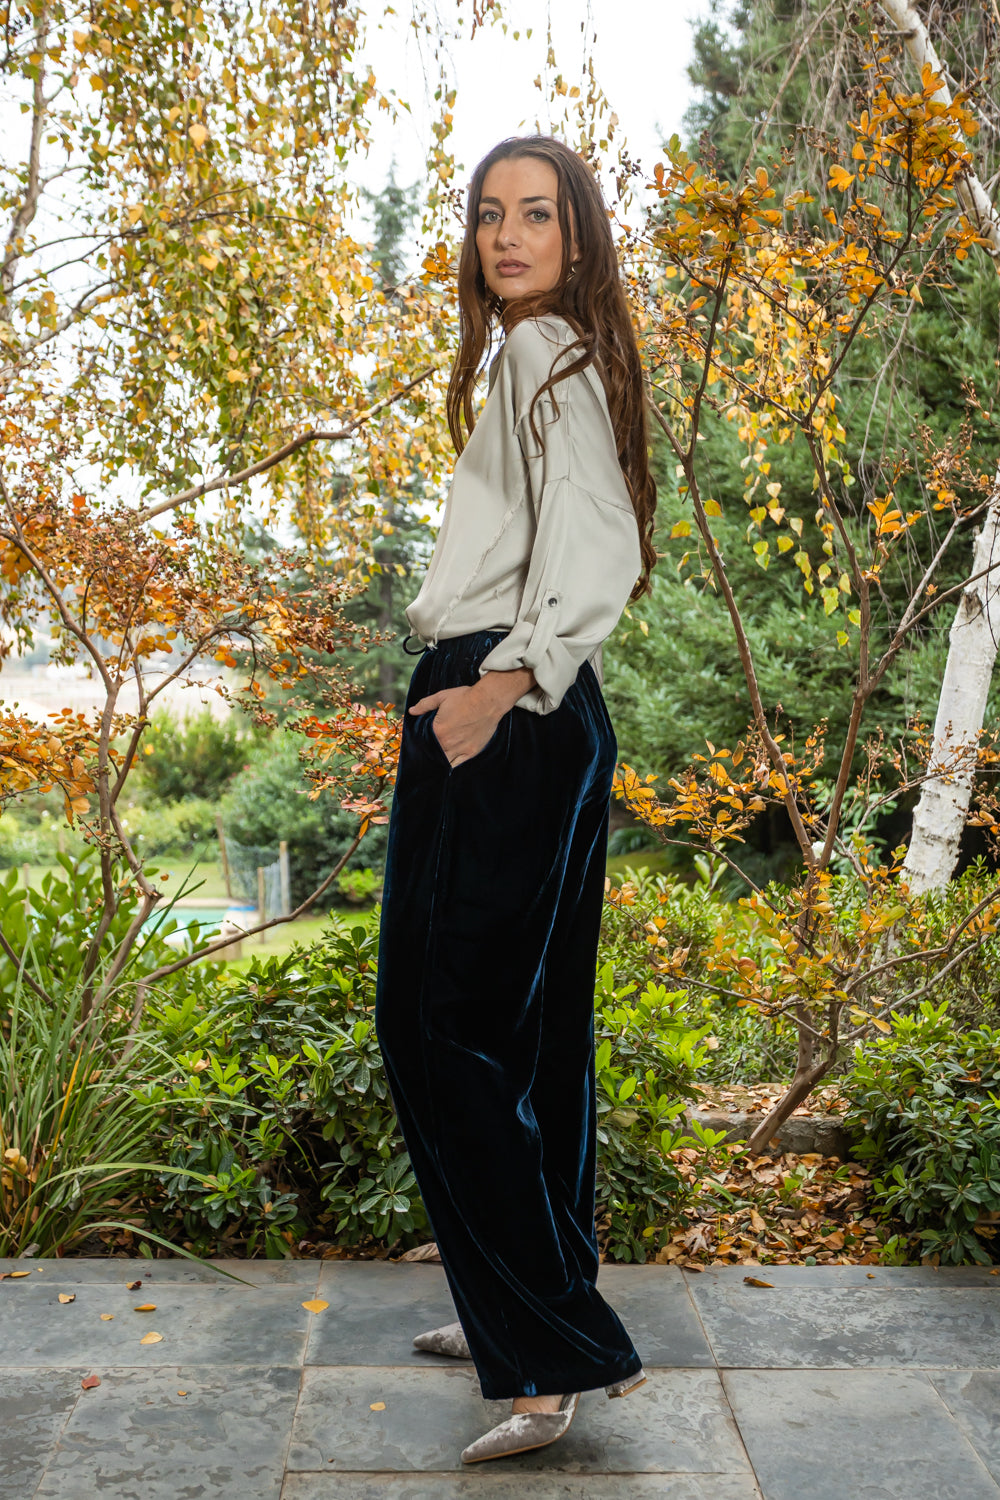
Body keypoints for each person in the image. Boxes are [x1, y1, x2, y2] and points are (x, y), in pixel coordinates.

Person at [374, 133, 658, 1465]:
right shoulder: (556, 354)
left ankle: (545, 1342)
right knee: (531, 1037)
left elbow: (601, 545)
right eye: (491, 214)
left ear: (577, 234)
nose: (507, 236)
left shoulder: (544, 350)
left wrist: (497, 688)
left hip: (509, 701)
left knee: (440, 1028)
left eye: (536, 214)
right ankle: (523, 1309)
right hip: (549, 714)